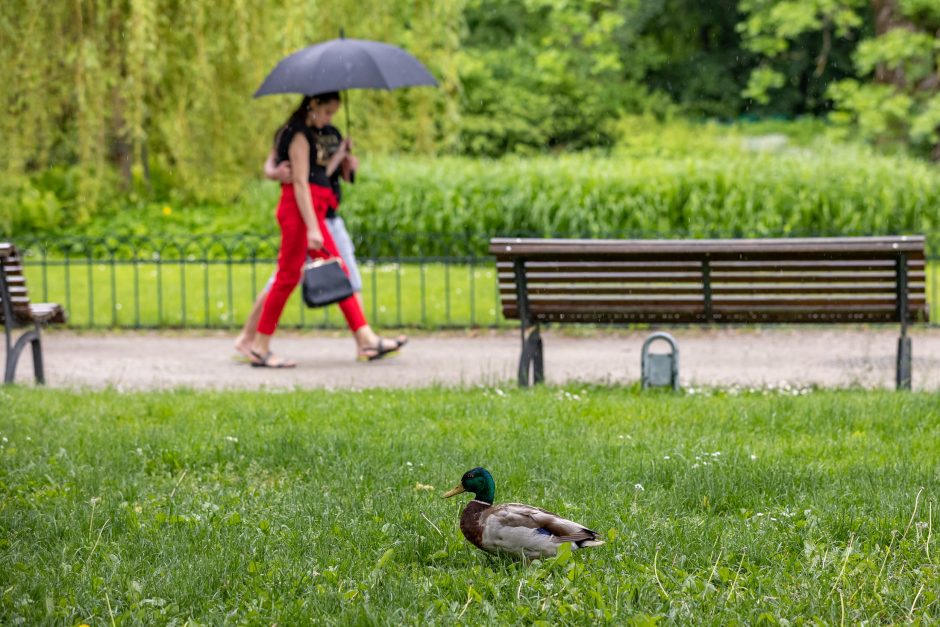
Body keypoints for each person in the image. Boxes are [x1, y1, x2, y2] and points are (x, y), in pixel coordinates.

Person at [245, 92, 406, 368]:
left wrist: (342, 156)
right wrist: (312, 228)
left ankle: (364, 337)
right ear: (313, 105)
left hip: (313, 210)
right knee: (287, 277)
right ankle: (259, 346)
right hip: (301, 213)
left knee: (332, 270)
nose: (329, 118)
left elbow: (317, 175)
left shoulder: (313, 133)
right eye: (328, 111)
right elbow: (300, 183)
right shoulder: (297, 135)